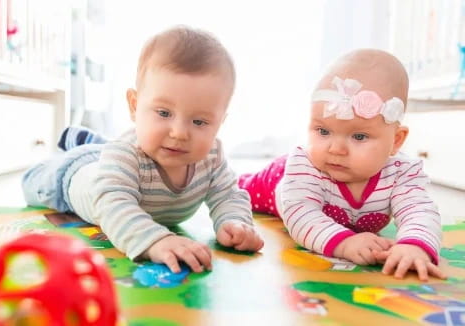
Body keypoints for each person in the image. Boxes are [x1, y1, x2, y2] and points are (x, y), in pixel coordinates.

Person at [22, 26, 264, 274]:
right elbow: (114, 205)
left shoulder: (212, 156)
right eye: (164, 113)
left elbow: (228, 195)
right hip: (70, 176)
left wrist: (235, 223)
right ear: (135, 106)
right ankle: (81, 145)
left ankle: (92, 142)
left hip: (109, 158)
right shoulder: (124, 155)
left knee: (106, 152)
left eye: (200, 122)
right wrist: (155, 240)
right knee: (34, 181)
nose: (179, 133)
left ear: (220, 122)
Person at [238, 49, 445, 281]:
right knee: (240, 190)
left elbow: (419, 211)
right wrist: (344, 243)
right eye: (323, 131)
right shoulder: (305, 165)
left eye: (358, 137)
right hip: (278, 182)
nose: (335, 149)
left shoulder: (400, 173)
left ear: (396, 140)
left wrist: (414, 245)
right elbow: (301, 214)